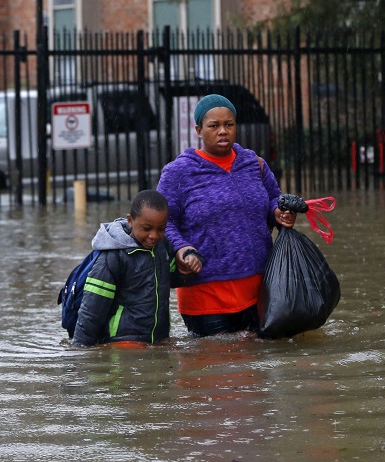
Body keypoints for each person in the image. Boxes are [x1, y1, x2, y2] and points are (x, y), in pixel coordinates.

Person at [156, 93, 297, 337]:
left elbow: (274, 198)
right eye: (214, 126)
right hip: (205, 297)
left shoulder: (254, 163)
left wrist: (279, 213)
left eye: (229, 125)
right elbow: (163, 222)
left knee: (256, 370)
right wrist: (181, 248)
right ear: (199, 130)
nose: (223, 131)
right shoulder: (178, 172)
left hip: (260, 292)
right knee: (218, 369)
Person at [71, 190, 175, 347]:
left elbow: (175, 278)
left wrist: (189, 263)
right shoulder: (112, 257)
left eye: (160, 229)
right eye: (147, 228)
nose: (154, 235)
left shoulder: (163, 247)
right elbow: (92, 309)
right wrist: (80, 347)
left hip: (158, 339)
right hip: (123, 341)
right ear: (130, 221)